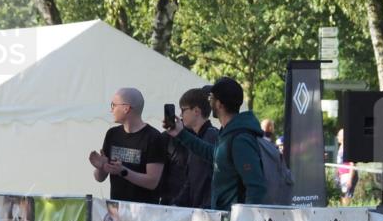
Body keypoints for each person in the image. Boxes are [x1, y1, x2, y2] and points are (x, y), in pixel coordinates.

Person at [162, 77, 267, 211]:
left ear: (219, 104)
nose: (209, 101)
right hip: (223, 219)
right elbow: (212, 153)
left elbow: (256, 186)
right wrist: (180, 133)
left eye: (211, 97)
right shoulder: (228, 133)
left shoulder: (240, 138)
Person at [88, 87, 166, 204]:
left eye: (113, 105)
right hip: (116, 210)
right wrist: (101, 167)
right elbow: (100, 178)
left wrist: (123, 171)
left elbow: (152, 182)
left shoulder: (153, 137)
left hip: (144, 213)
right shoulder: (112, 134)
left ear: (126, 108)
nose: (111, 110)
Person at [166, 86, 219, 209]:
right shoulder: (199, 138)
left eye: (183, 110)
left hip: (207, 217)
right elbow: (191, 181)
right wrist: (175, 204)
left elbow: (212, 181)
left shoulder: (211, 136)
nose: (180, 115)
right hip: (198, 214)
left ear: (196, 111)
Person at [335, 129, 358, 206]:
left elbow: (352, 164)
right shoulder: (341, 147)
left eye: (339, 135)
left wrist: (350, 179)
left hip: (347, 175)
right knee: (342, 196)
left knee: (346, 197)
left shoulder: (348, 147)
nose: (337, 137)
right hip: (342, 176)